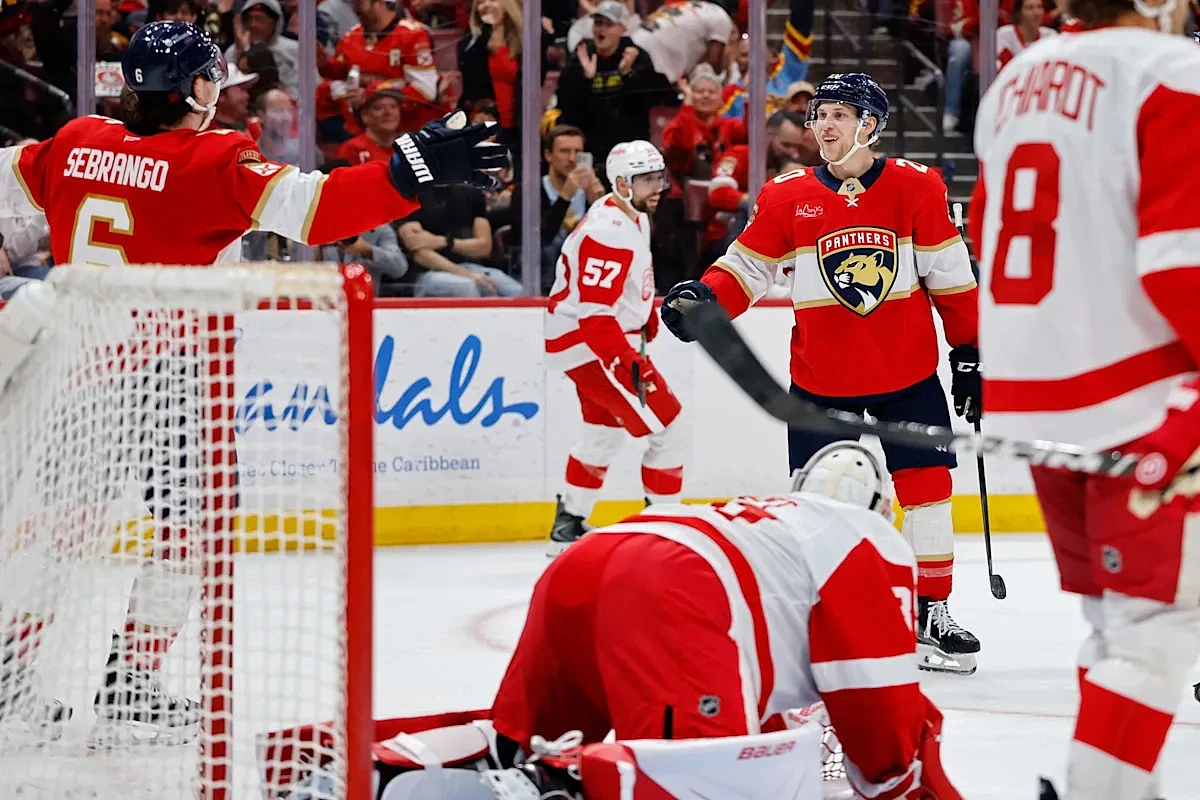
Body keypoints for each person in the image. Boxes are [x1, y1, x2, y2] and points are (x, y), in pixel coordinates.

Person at [0, 20, 504, 741]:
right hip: (169, 372)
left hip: (77, 365)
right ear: (194, 90)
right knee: (193, 527)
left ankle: (12, 672)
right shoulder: (213, 160)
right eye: (214, 80)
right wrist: (407, 173)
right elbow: (319, 211)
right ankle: (133, 673)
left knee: (61, 534)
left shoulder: (76, 140)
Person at [659, 73, 984, 676]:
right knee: (819, 504)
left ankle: (929, 611)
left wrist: (969, 354)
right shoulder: (786, 197)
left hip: (908, 375)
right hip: (821, 380)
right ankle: (827, 615)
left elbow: (952, 279)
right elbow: (746, 270)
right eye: (820, 114)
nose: (823, 124)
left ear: (870, 124)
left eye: (838, 113)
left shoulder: (917, 187)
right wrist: (706, 300)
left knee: (929, 492)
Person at [968, 0, 1200, 795]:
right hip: (1146, 399)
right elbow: (1181, 263)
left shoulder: (1015, 81)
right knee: (1155, 633)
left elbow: (991, 232)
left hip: (1036, 401)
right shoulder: (1172, 70)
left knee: (1114, 623)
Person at [489, 441, 964, 800]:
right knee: (705, 778)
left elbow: (748, 676)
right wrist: (897, 781)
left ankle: (484, 768)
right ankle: (562, 784)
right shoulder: (868, 537)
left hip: (587, 559)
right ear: (882, 509)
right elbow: (877, 696)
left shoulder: (769, 524)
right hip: (670, 590)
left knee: (520, 747)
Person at [542, 140, 683, 556]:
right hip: (593, 345)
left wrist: (646, 314)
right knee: (669, 428)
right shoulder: (607, 231)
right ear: (623, 183)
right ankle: (664, 530)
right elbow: (596, 317)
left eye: (659, 177)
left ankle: (568, 525)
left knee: (602, 435)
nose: (658, 187)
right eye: (647, 179)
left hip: (593, 342)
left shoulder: (630, 214)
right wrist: (627, 361)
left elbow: (625, 286)